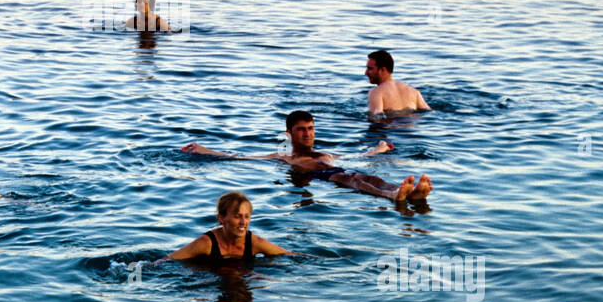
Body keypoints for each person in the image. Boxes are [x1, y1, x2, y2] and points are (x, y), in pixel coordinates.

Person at [181, 109, 431, 203]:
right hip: (322, 178)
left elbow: (357, 157)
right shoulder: (284, 158)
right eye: (301, 130)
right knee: (354, 181)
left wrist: (380, 149)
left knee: (368, 177)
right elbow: (240, 157)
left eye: (310, 129)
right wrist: (206, 150)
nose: (307, 134)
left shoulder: (326, 153)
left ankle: (407, 192)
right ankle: (392, 195)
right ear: (289, 134)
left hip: (341, 171)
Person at [162, 191, 290, 262]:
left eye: (246, 216)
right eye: (237, 216)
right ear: (221, 218)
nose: (243, 222)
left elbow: (290, 255)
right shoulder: (206, 243)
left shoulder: (255, 242)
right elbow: (168, 260)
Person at [365, 50, 430, 118]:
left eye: (370, 69)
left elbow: (376, 118)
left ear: (383, 70)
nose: (366, 73)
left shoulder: (376, 93)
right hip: (412, 125)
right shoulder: (414, 92)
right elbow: (428, 112)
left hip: (391, 126)